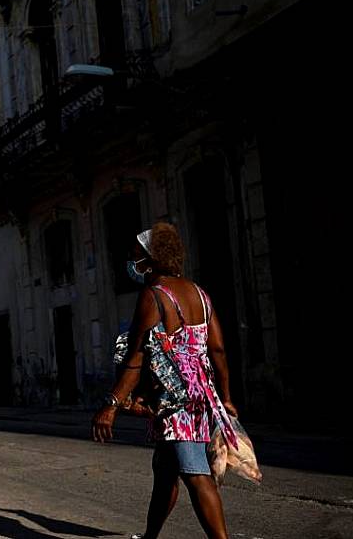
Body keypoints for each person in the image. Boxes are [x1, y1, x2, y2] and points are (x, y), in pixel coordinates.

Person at [92, 223, 238, 539]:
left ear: (153, 258)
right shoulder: (200, 294)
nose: (132, 265)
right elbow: (218, 349)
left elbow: (135, 359)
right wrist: (225, 398)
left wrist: (112, 404)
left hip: (178, 403)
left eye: (136, 257)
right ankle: (149, 536)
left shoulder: (154, 296)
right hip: (202, 397)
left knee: (196, 475)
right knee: (165, 473)